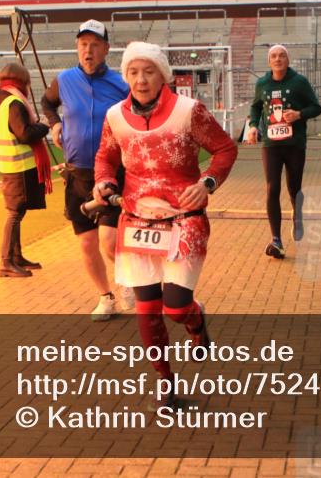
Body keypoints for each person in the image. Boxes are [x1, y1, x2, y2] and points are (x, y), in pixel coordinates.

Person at [92, 41, 237, 407]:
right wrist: (104, 182)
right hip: (136, 220)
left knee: (174, 307)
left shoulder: (189, 111)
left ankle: (195, 322)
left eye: (149, 71)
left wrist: (207, 183)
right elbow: (106, 157)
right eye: (133, 72)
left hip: (183, 221)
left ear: (163, 75)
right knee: (146, 309)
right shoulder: (114, 117)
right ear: (125, 76)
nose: (141, 80)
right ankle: (166, 382)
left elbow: (225, 148)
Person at [41, 19, 131, 320]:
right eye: (83, 45)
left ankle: (127, 279)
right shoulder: (64, 80)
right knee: (87, 244)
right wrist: (54, 124)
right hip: (77, 173)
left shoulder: (121, 85)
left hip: (110, 173)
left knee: (108, 240)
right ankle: (106, 297)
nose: (88, 50)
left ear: (106, 49)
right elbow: (46, 102)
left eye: (94, 45)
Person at [245, 44, 321, 259]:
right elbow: (256, 107)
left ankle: (297, 216)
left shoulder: (299, 82)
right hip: (271, 145)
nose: (278, 59)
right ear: (269, 61)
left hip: (295, 143)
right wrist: (253, 126)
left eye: (282, 56)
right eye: (273, 56)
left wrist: (298, 114)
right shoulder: (262, 83)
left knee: (294, 188)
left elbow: (316, 107)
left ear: (288, 60)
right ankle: (276, 240)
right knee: (272, 188)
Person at [0, 63, 52, 278]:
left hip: (8, 164)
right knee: (15, 213)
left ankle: (16, 256)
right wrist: (44, 126)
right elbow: (24, 134)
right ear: (22, 81)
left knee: (17, 211)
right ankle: (6, 261)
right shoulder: (13, 103)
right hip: (19, 166)